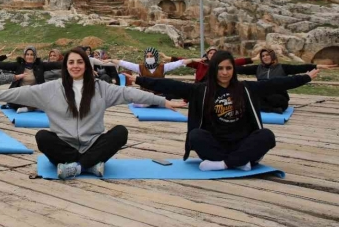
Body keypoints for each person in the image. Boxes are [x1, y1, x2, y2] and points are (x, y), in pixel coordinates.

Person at [0, 47, 185, 179]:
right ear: (65, 66)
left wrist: (162, 101)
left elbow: (130, 94)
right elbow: (21, 92)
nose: (76, 66)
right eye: (71, 62)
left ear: (86, 66)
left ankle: (76, 167)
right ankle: (90, 165)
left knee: (120, 132)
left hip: (92, 143)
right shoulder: (51, 88)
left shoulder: (101, 88)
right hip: (64, 145)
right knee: (42, 137)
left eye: (80, 62)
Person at [131, 51, 318, 171]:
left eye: (229, 68)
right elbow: (171, 84)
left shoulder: (245, 88)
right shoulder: (202, 90)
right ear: (214, 70)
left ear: (233, 70)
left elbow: (276, 83)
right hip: (215, 144)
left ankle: (224, 164)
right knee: (195, 136)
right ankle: (241, 162)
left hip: (242, 141)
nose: (225, 72)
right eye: (220, 68)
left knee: (267, 136)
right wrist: (139, 80)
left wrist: (305, 77)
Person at [236, 48, 334, 113]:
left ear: (273, 56)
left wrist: (316, 66)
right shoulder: (257, 68)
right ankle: (271, 109)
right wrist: (250, 59)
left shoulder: (282, 67)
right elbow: (238, 68)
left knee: (281, 101)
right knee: (250, 97)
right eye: (263, 56)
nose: (265, 57)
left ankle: (267, 108)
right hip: (262, 95)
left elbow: (299, 68)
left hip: (277, 96)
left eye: (267, 55)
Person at [0, 46, 62, 113]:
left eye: (32, 55)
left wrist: (71, 62)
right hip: (21, 93)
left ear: (35, 56)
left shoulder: (40, 66)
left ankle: (29, 108)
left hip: (35, 94)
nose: (29, 57)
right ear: (24, 56)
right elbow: (3, 65)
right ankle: (31, 107)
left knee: (49, 101)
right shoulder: (19, 65)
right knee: (13, 103)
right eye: (27, 54)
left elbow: (55, 64)